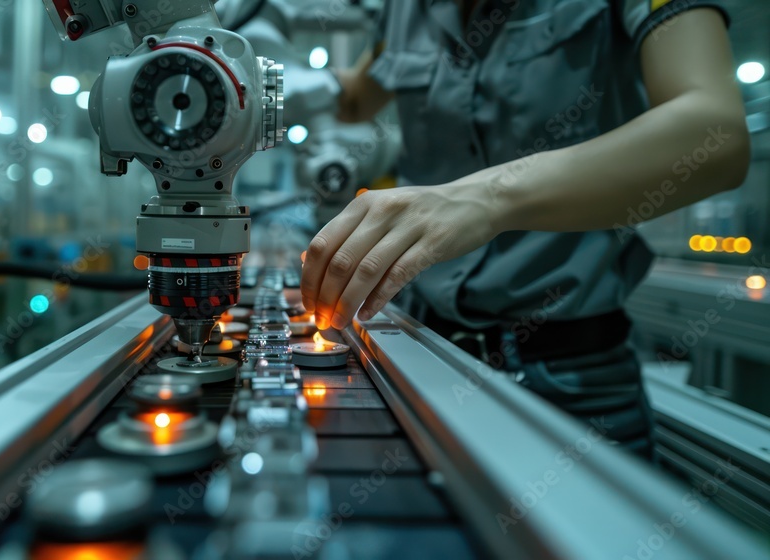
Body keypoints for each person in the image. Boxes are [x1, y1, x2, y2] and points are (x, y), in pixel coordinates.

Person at [299, 0, 750, 459]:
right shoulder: (404, 10)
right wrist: (278, 79)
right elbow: (355, 98)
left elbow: (715, 135)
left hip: (571, 379)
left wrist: (489, 198)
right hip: (423, 356)